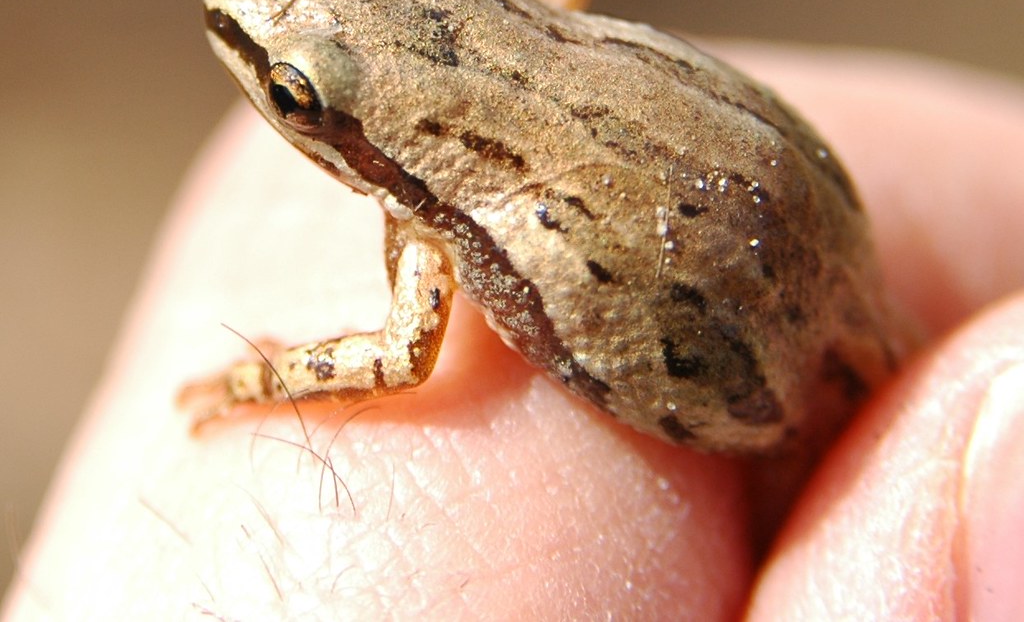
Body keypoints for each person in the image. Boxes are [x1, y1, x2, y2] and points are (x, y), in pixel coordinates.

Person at [5, 46, 1023, 620]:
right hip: (798, 214)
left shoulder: (424, 213)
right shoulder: (496, 43)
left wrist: (260, 382)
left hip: (749, 359)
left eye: (290, 99)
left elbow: (403, 358)